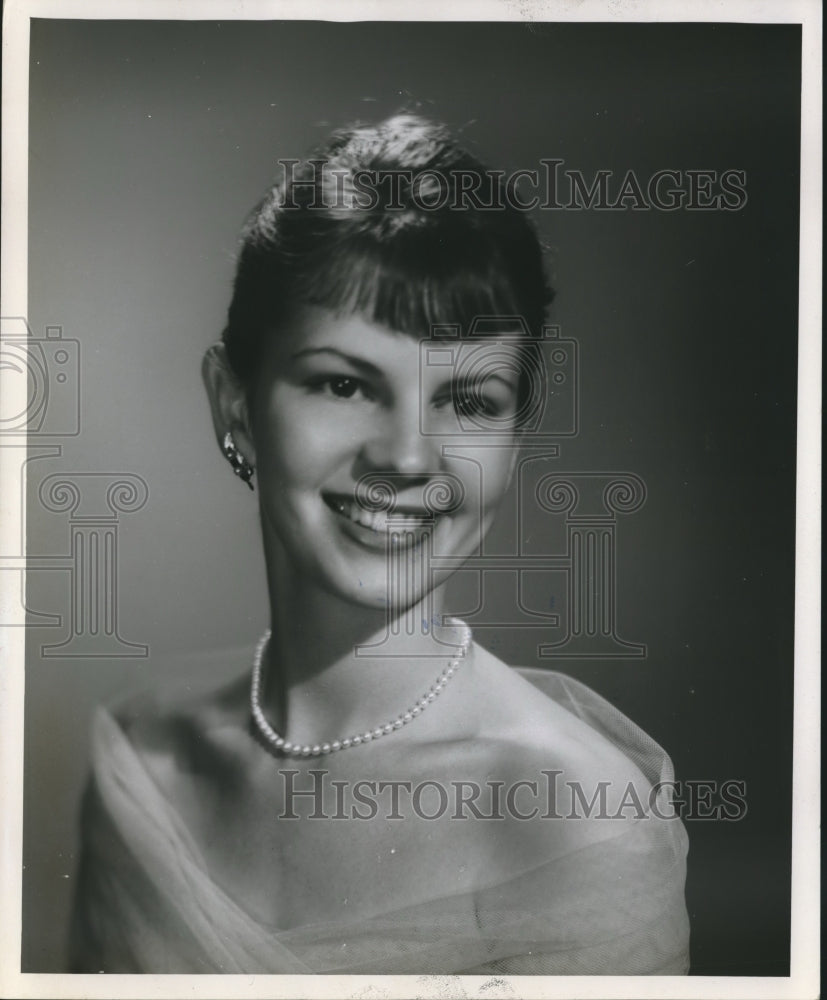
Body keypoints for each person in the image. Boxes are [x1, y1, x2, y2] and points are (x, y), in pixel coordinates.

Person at [69, 114, 690, 975]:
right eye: (344, 383)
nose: (406, 455)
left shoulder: (571, 819)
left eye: (469, 402)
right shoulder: (146, 767)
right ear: (235, 404)